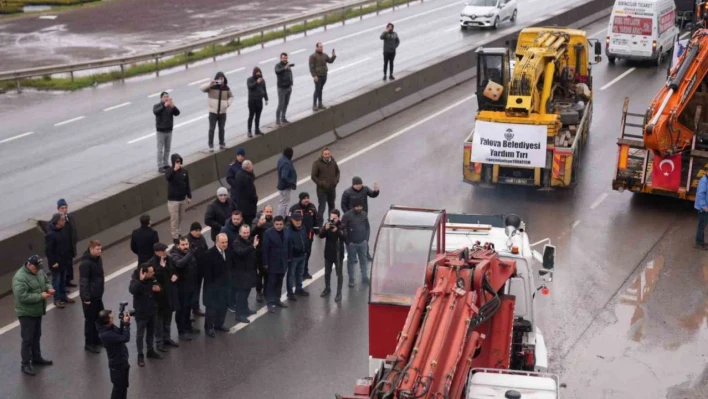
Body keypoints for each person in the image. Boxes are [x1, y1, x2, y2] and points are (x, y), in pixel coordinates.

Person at [13, 255, 54, 376]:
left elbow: (46, 281)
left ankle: (36, 358)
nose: (38, 270)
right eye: (36, 268)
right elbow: (22, 297)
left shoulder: (38, 271)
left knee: (36, 335)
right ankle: (25, 364)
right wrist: (40, 296)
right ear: (29, 265)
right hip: (26, 312)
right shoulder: (20, 278)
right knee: (27, 339)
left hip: (37, 310)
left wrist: (49, 288)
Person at [129, 264, 162, 368]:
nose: (153, 273)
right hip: (141, 312)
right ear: (144, 273)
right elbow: (133, 290)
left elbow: (158, 286)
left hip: (152, 310)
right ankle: (140, 355)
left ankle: (150, 350)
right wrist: (141, 281)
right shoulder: (135, 281)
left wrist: (159, 289)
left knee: (151, 332)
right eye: (151, 272)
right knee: (140, 334)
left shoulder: (152, 279)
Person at [341, 177, 380, 260]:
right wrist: (348, 215)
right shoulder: (347, 192)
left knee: (364, 235)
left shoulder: (365, 189)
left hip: (363, 217)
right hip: (351, 219)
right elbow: (343, 205)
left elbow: (372, 194)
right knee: (352, 237)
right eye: (357, 184)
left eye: (360, 184)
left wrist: (376, 191)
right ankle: (353, 256)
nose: (359, 186)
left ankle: (367, 254)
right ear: (353, 185)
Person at [149, 243, 179, 352]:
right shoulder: (151, 264)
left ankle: (167, 338)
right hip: (159, 298)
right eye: (163, 251)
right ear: (157, 252)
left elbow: (174, 270)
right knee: (159, 321)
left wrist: (175, 275)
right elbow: (154, 279)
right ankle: (159, 342)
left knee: (168, 319)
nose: (165, 252)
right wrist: (161, 268)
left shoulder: (169, 259)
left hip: (169, 294)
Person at [169, 237, 199, 341]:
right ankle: (181, 332)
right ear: (178, 246)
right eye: (183, 245)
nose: (186, 247)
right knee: (181, 311)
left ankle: (188, 327)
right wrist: (190, 253)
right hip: (181, 289)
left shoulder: (187, 253)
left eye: (187, 244)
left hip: (190, 286)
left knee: (188, 309)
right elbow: (180, 264)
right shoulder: (174, 255)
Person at [97, 309, 131, 399]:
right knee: (118, 389)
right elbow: (125, 337)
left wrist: (122, 322)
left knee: (124, 386)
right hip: (117, 364)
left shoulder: (109, 327)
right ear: (107, 320)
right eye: (111, 318)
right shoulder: (106, 335)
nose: (113, 319)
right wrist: (126, 324)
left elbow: (120, 332)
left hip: (122, 360)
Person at [204, 233, 232, 337]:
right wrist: (212, 288)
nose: (225, 244)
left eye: (226, 242)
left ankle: (219, 324)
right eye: (222, 242)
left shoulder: (228, 251)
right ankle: (209, 328)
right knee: (211, 309)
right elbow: (207, 274)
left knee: (223, 307)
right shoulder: (209, 254)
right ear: (217, 242)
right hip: (213, 287)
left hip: (225, 286)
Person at [79, 240, 105, 354]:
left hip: (97, 295)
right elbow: (83, 281)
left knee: (99, 318)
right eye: (97, 249)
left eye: (100, 249)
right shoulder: (85, 264)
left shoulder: (97, 259)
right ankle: (89, 344)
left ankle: (97, 339)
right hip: (90, 297)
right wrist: (86, 298)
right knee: (90, 321)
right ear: (91, 249)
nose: (100, 251)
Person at [262, 216, 291, 313]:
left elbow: (288, 244)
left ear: (283, 224)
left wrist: (289, 257)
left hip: (283, 262)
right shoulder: (268, 233)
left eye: (280, 224)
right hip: (272, 263)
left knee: (279, 282)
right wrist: (265, 263)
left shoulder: (287, 231)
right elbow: (264, 249)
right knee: (271, 283)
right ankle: (270, 302)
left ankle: (277, 299)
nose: (279, 226)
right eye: (277, 224)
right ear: (274, 224)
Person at [45, 213, 74, 308]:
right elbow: (49, 251)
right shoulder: (50, 234)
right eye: (62, 220)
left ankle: (63, 296)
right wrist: (53, 262)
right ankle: (57, 299)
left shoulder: (63, 230)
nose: (64, 221)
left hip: (64, 261)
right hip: (56, 263)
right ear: (57, 221)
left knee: (63, 280)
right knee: (56, 282)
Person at [200, 71, 234, 151]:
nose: (220, 80)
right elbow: (201, 88)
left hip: (222, 112)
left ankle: (222, 143)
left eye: (221, 78)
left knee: (221, 129)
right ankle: (211, 145)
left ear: (224, 79)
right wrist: (210, 84)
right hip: (213, 112)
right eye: (218, 79)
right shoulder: (212, 87)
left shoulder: (226, 88)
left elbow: (231, 96)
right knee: (212, 129)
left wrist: (227, 103)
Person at [232, 225, 259, 323]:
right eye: (244, 233)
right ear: (240, 233)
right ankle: (239, 315)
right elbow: (241, 253)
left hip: (249, 271)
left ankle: (245, 309)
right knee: (241, 294)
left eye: (247, 232)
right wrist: (253, 246)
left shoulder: (249, 240)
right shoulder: (236, 243)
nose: (246, 235)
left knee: (246, 292)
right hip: (241, 273)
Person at [289, 192, 318, 280]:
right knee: (296, 256)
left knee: (307, 254)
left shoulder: (312, 207)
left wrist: (316, 230)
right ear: (300, 199)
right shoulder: (294, 208)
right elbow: (288, 221)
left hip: (308, 237)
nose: (306, 200)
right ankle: (295, 275)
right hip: (297, 237)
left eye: (307, 198)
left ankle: (305, 272)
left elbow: (316, 220)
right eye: (304, 198)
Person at [342, 200, 371, 287]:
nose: (359, 208)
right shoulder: (347, 215)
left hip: (363, 242)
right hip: (352, 244)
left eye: (360, 206)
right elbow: (343, 229)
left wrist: (366, 239)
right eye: (357, 206)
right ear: (353, 207)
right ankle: (351, 279)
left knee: (363, 260)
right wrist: (348, 242)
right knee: (351, 261)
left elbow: (367, 227)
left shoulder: (364, 214)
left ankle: (364, 277)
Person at [165, 153, 192, 245]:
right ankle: (175, 236)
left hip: (182, 198)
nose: (178, 163)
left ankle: (177, 231)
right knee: (174, 218)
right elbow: (167, 178)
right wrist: (174, 169)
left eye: (179, 161)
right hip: (173, 200)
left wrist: (189, 196)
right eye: (176, 162)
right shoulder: (170, 171)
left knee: (181, 217)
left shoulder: (184, 171)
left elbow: (187, 184)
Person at [319, 210, 345, 301]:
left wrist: (337, 231)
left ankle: (339, 293)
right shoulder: (328, 224)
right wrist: (324, 229)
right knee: (327, 273)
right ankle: (327, 288)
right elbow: (321, 236)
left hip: (338, 254)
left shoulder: (342, 225)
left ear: (338, 218)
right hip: (328, 253)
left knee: (339, 274)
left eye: (335, 218)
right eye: (331, 218)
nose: (333, 220)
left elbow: (345, 238)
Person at [311, 147, 340, 228]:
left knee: (332, 207)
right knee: (322, 208)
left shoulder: (333, 161)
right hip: (322, 190)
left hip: (332, 189)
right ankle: (319, 226)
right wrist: (321, 183)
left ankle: (331, 223)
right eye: (325, 154)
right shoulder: (317, 163)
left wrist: (336, 181)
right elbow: (313, 176)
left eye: (328, 154)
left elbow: (338, 171)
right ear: (322, 155)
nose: (327, 155)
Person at [153, 91, 181, 172]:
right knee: (160, 149)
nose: (166, 98)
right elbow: (156, 112)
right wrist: (164, 106)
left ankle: (165, 164)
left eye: (167, 97)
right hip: (161, 131)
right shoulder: (157, 106)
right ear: (161, 98)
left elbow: (177, 113)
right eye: (164, 97)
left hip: (169, 130)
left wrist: (173, 106)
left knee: (167, 148)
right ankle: (160, 166)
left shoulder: (170, 106)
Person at [251, 205, 274, 303]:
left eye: (270, 212)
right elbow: (252, 233)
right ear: (263, 211)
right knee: (260, 274)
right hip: (259, 252)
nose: (268, 214)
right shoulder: (257, 220)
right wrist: (259, 225)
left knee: (268, 273)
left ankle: (266, 291)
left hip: (270, 252)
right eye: (267, 212)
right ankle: (259, 292)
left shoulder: (273, 222)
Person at [187, 222, 209, 318]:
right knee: (191, 291)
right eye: (196, 230)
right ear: (191, 230)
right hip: (191, 271)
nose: (198, 232)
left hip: (201, 269)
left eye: (199, 230)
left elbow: (206, 249)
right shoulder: (187, 240)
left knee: (197, 289)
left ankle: (196, 308)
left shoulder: (201, 238)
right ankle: (191, 309)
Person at [286, 212, 309, 300]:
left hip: (303, 255)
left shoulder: (303, 228)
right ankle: (290, 292)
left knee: (300, 273)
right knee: (291, 275)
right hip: (294, 257)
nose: (298, 222)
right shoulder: (288, 230)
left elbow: (306, 239)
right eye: (296, 220)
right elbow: (289, 244)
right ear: (292, 220)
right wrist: (295, 249)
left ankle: (299, 289)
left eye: (299, 220)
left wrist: (306, 249)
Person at [56, 198, 78, 288]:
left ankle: (68, 281)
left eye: (65, 207)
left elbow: (74, 230)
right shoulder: (57, 221)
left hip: (70, 246)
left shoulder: (70, 218)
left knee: (69, 265)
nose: (64, 210)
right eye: (62, 208)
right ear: (58, 209)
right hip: (62, 249)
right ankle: (63, 284)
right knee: (63, 268)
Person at [309, 42, 336, 111]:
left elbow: (330, 61)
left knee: (320, 89)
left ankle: (320, 104)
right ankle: (314, 105)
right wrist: (314, 76)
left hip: (324, 75)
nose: (321, 48)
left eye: (322, 47)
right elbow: (311, 67)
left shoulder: (324, 55)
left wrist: (333, 56)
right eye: (320, 47)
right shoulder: (313, 56)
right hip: (318, 76)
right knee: (317, 90)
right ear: (317, 47)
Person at [247, 66, 269, 137]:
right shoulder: (250, 79)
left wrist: (266, 99)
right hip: (252, 101)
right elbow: (250, 86)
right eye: (257, 73)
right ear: (254, 73)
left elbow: (264, 89)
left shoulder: (262, 80)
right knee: (251, 116)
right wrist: (257, 82)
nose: (258, 74)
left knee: (258, 116)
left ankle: (257, 129)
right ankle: (249, 131)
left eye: (259, 73)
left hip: (259, 101)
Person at [277, 147, 297, 218]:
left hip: (282, 186)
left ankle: (284, 215)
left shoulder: (281, 159)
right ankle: (281, 217)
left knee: (284, 202)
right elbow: (284, 176)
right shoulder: (286, 163)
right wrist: (291, 183)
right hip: (285, 187)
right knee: (284, 203)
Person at [274, 52, 294, 125]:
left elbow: (290, 74)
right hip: (281, 88)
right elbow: (277, 71)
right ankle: (277, 120)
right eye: (283, 58)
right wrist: (284, 68)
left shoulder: (287, 65)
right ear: (281, 58)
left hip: (288, 87)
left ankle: (283, 117)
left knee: (286, 103)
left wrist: (291, 82)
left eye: (286, 58)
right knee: (281, 104)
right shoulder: (278, 66)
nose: (285, 59)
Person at [695, 167, 708, 249]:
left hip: (704, 207)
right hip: (703, 208)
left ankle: (701, 241)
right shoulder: (704, 181)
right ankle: (699, 243)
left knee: (703, 225)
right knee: (701, 226)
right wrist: (704, 207)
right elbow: (701, 194)